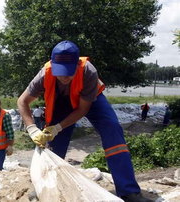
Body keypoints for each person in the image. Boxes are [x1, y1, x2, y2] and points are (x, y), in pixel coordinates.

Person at [16, 40, 151, 202]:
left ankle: (129, 191)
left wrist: (58, 126)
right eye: (60, 72)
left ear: (77, 65)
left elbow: (82, 109)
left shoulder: (88, 71)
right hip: (62, 102)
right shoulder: (45, 73)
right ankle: (44, 187)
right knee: (53, 147)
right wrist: (32, 128)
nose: (64, 77)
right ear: (53, 64)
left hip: (90, 101)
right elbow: (22, 101)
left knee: (112, 129)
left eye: (69, 72)